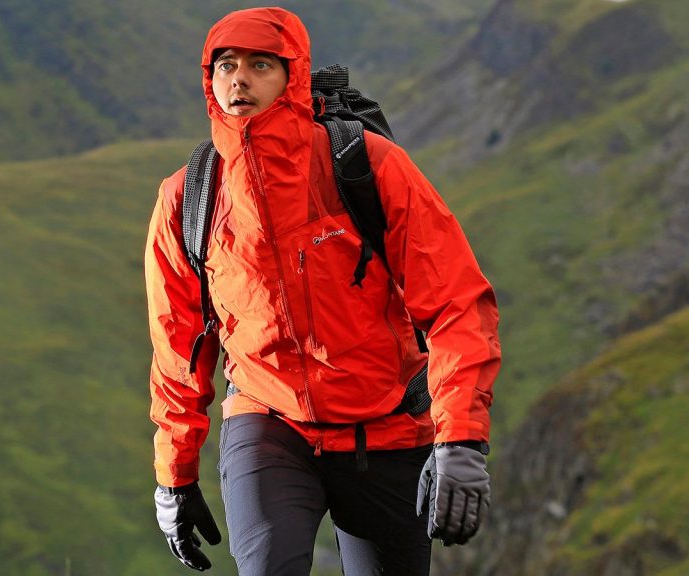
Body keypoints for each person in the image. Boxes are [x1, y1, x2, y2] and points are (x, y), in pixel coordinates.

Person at [145, 7, 501, 575]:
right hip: (269, 420)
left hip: (386, 423)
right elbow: (178, 346)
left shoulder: (369, 166)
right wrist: (174, 475)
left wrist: (460, 438)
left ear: (296, 76)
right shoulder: (189, 198)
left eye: (261, 65)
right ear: (208, 80)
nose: (239, 79)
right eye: (226, 65)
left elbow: (457, 303)